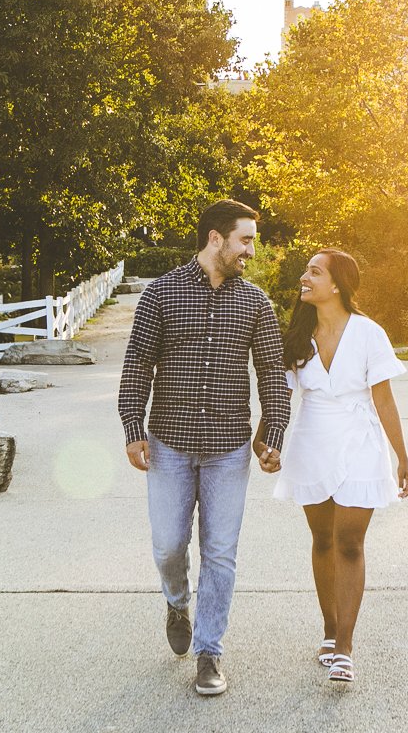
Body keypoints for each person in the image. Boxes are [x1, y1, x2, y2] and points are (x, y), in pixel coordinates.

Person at [117, 199, 291, 697]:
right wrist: (133, 428)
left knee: (220, 552)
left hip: (228, 449)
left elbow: (273, 379)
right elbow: (136, 367)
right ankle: (177, 601)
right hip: (169, 443)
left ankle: (209, 651)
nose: (251, 251)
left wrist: (272, 434)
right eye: (246, 240)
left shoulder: (255, 303)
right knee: (169, 545)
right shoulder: (161, 293)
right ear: (217, 238)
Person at [262, 248, 408, 684]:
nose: (303, 278)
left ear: (337, 285)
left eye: (314, 271)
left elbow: (383, 398)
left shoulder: (369, 334)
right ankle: (330, 629)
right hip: (312, 441)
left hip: (361, 443)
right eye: (306, 271)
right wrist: (267, 441)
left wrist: (402, 456)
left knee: (349, 541)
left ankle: (345, 646)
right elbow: (281, 396)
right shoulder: (297, 334)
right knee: (322, 540)